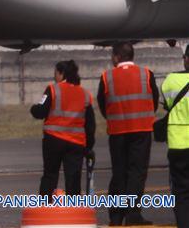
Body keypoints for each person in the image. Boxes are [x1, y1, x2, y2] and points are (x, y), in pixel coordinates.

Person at [98, 43, 159, 226]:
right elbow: (154, 101)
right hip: (141, 130)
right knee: (137, 173)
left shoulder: (106, 76)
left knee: (119, 173)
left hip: (117, 131)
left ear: (117, 57)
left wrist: (114, 118)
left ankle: (116, 216)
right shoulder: (146, 74)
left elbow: (102, 104)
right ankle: (133, 214)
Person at [30, 60, 95, 197]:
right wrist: (88, 147)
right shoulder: (85, 94)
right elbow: (90, 125)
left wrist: (33, 108)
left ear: (61, 74)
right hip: (76, 143)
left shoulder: (53, 89)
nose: (54, 76)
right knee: (73, 180)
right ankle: (73, 208)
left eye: (55, 73)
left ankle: (45, 206)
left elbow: (40, 111)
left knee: (50, 176)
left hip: (53, 140)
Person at [161, 44, 189, 227]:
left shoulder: (171, 80)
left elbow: (166, 103)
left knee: (181, 192)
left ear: (186, 59)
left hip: (178, 144)